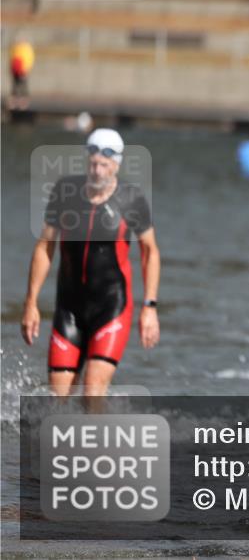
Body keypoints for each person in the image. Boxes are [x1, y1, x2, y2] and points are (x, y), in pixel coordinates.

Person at [21, 128, 160, 397]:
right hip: (69, 308)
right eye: (93, 163)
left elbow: (150, 252)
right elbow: (44, 246)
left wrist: (150, 306)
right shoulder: (65, 192)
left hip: (111, 307)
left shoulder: (132, 199)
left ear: (116, 164)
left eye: (104, 165)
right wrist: (31, 303)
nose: (97, 170)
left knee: (92, 391)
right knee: (57, 402)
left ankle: (99, 437)